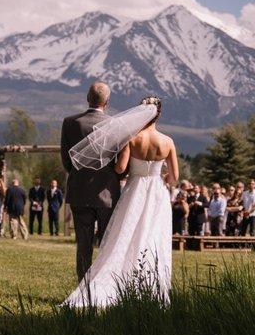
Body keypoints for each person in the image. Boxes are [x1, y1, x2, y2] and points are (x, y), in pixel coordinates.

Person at [64, 95, 178, 307]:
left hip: (135, 189)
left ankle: (116, 282)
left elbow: (119, 168)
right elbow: (174, 177)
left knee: (126, 236)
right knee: (153, 237)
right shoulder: (167, 142)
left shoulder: (132, 139)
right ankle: (151, 289)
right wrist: (159, 178)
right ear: (159, 114)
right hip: (157, 192)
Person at [60, 82, 123, 281]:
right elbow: (120, 162)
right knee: (106, 244)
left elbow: (66, 160)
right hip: (107, 193)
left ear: (88, 98)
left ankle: (83, 289)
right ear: (107, 102)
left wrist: (79, 176)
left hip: (80, 191)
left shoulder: (70, 123)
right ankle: (103, 287)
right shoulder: (115, 124)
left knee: (83, 245)